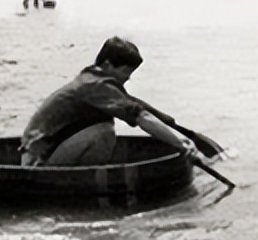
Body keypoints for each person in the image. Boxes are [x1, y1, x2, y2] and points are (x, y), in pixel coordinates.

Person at [20, 36, 214, 167]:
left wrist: (176, 131)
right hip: (37, 161)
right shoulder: (95, 85)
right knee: (104, 131)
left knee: (104, 126)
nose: (127, 79)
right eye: (125, 73)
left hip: (45, 151)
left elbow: (139, 107)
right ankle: (86, 181)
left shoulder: (95, 81)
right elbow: (141, 117)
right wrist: (181, 144)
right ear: (107, 65)